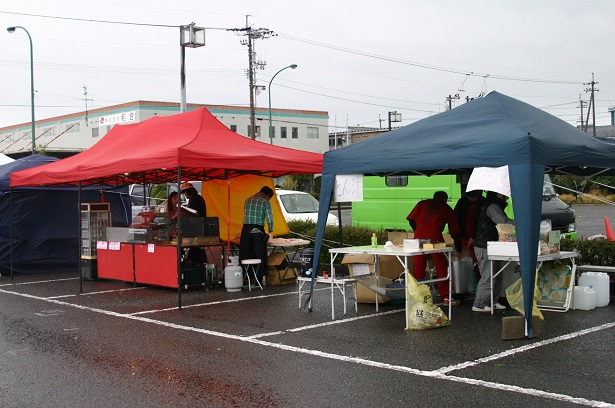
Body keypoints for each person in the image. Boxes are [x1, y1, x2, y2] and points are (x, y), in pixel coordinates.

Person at [406, 191, 463, 305]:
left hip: (419, 238)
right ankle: (446, 296)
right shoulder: (446, 208)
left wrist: (418, 229)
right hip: (435, 239)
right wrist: (459, 250)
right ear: (445, 199)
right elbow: (455, 232)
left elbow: (411, 220)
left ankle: (418, 296)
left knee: (418, 267)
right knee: (442, 267)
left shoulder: (422, 204)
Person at [472, 191, 515, 312]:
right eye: (504, 194)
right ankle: (479, 304)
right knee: (488, 275)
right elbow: (504, 223)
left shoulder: (494, 205)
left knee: (497, 275)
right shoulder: (493, 207)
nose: (506, 197)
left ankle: (492, 301)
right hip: (484, 245)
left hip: (491, 245)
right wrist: (520, 222)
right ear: (497, 194)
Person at [239, 186, 275, 285]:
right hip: (258, 232)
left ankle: (245, 277)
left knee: (245, 254)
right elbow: (270, 219)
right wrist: (271, 230)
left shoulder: (248, 200)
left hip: (246, 231)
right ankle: (258, 279)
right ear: (268, 195)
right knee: (259, 255)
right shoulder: (265, 202)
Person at [454, 190, 486, 282]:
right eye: (470, 197)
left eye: (474, 197)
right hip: (464, 237)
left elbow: (483, 223)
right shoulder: (462, 202)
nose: (472, 199)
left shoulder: (483, 202)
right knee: (466, 259)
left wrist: (475, 237)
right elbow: (456, 220)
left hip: (480, 238)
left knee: (479, 260)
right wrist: (463, 237)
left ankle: (480, 281)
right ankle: (466, 281)